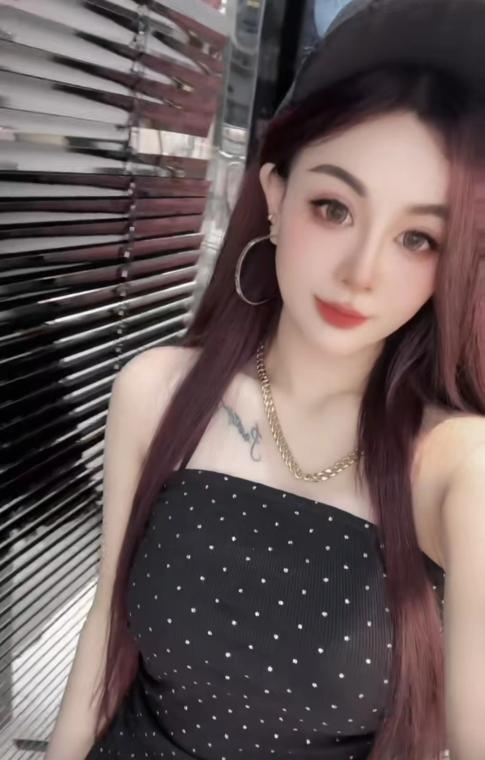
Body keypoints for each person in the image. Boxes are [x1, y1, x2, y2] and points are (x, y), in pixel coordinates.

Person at [46, 1, 485, 759]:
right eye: (333, 208)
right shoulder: (159, 392)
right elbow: (106, 631)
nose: (362, 272)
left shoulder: (457, 466)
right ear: (276, 198)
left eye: (417, 238)